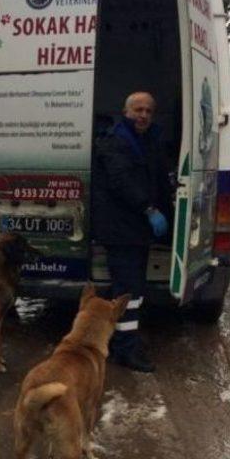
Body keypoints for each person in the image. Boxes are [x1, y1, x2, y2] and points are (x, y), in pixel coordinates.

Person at [91, 91, 174, 372]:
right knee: (129, 291)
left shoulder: (146, 140)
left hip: (135, 229)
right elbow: (121, 180)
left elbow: (156, 179)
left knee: (130, 290)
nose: (144, 115)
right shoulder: (117, 141)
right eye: (138, 110)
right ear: (126, 112)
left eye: (149, 111)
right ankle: (125, 351)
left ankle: (120, 343)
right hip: (122, 230)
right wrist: (148, 208)